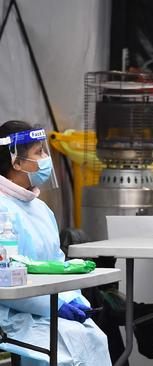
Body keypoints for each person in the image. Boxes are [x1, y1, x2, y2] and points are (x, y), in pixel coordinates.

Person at [0, 120, 111, 366]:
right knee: (66, 354)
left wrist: (72, 298)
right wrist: (55, 305)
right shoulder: (2, 209)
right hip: (13, 315)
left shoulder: (40, 208)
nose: (45, 159)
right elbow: (3, 282)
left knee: (94, 338)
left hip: (47, 308)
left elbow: (57, 264)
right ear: (16, 162)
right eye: (38, 153)